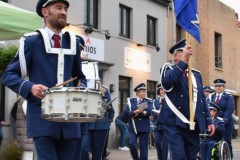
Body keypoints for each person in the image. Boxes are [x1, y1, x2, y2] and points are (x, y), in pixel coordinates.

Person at [1, 0, 87, 159]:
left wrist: (82, 90)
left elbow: (79, 77)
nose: (64, 12)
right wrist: (30, 87)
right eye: (59, 8)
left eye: (65, 9)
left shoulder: (73, 43)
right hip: (42, 119)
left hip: (71, 123)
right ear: (45, 12)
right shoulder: (32, 41)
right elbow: (8, 75)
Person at [159, 39, 215, 160]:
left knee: (191, 156)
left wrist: (209, 121)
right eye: (183, 51)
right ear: (175, 55)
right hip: (174, 122)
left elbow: (201, 100)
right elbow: (169, 81)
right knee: (179, 156)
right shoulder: (167, 69)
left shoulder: (196, 74)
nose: (188, 53)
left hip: (192, 123)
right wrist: (183, 61)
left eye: (188, 51)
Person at [81, 85, 112, 160]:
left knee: (97, 155)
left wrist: (103, 101)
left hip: (100, 125)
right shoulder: (81, 87)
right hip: (86, 124)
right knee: (83, 148)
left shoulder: (104, 90)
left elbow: (109, 106)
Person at [124, 83, 153, 160]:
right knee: (132, 144)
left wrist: (137, 111)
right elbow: (126, 112)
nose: (144, 93)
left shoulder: (148, 100)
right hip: (133, 126)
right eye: (142, 91)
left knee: (144, 149)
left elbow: (149, 112)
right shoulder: (131, 101)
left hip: (144, 127)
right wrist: (135, 112)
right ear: (137, 92)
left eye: (145, 91)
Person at [209, 78, 234, 158]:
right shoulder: (211, 96)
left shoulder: (228, 96)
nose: (218, 88)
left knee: (227, 140)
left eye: (220, 86)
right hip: (214, 122)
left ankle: (229, 156)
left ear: (223, 87)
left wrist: (225, 120)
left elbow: (229, 109)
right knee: (213, 140)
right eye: (216, 86)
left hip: (225, 122)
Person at [152, 84, 169, 160]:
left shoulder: (169, 100)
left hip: (166, 125)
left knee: (165, 144)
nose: (162, 91)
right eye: (161, 90)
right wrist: (156, 113)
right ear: (159, 91)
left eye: (164, 90)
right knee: (157, 142)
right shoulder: (154, 101)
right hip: (157, 124)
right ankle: (160, 158)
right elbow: (152, 111)